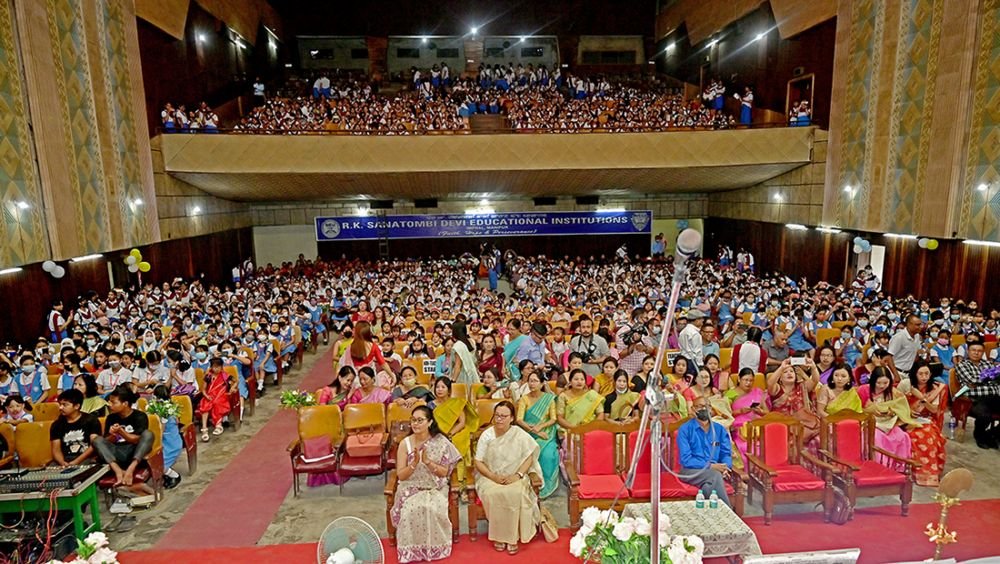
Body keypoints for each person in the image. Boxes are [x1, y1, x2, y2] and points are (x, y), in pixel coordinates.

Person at [390, 405, 462, 563]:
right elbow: (401, 475)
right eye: (413, 420)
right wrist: (414, 464)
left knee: (432, 508)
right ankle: (412, 551)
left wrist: (428, 462)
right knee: (410, 510)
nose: (415, 424)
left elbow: (444, 472)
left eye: (420, 420)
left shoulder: (440, 442)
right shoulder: (405, 444)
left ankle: (433, 549)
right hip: (410, 487)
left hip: (435, 487)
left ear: (430, 422)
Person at [473, 401, 542, 555]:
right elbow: (478, 461)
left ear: (511, 418)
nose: (499, 419)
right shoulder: (487, 435)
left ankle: (512, 538)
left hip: (515, 475)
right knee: (493, 494)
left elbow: (529, 456)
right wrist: (493, 476)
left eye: (503, 416)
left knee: (516, 493)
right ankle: (500, 537)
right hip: (489, 476)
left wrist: (518, 475)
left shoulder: (519, 434)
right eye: (497, 415)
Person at [677, 395, 733, 507]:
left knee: (709, 485)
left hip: (714, 472)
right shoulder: (685, 429)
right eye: (699, 406)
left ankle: (710, 513)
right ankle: (727, 511)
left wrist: (725, 467)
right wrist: (711, 466)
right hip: (690, 471)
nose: (704, 409)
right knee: (714, 475)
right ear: (693, 409)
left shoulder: (719, 429)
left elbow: (726, 453)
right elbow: (686, 460)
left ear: (711, 409)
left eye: (707, 406)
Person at [92, 386, 153, 487]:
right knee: (97, 440)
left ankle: (131, 469)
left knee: (148, 434)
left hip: (134, 452)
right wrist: (112, 435)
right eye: (109, 401)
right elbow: (106, 441)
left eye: (114, 402)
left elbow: (136, 440)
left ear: (125, 404)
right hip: (116, 452)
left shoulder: (140, 416)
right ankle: (117, 470)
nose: (110, 405)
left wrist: (121, 431)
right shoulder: (111, 418)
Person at [864, 367, 919, 469]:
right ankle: (880, 466)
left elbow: (901, 408)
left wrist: (892, 412)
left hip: (888, 423)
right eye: (878, 383)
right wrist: (870, 411)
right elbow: (858, 409)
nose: (882, 386)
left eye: (885, 383)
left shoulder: (894, 392)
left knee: (902, 436)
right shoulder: (864, 390)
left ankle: (899, 466)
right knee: (877, 438)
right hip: (870, 423)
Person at [515, 372, 558, 498]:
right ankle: (531, 485)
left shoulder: (549, 399)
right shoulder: (524, 399)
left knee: (547, 454)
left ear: (542, 383)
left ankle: (545, 487)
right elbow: (519, 420)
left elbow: (553, 419)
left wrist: (541, 426)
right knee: (531, 452)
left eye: (535, 381)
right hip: (528, 432)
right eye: (530, 381)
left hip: (547, 432)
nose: (532, 384)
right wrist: (536, 431)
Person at [906, 361, 947, 486]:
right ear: (914, 374)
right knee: (913, 435)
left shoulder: (935, 388)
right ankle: (913, 471)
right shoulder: (907, 385)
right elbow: (899, 404)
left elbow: (934, 410)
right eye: (921, 374)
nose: (924, 377)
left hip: (927, 419)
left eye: (927, 374)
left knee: (928, 434)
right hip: (907, 419)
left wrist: (922, 399)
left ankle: (928, 474)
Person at [954, 340, 999, 449]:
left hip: (994, 397)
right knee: (985, 415)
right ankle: (980, 436)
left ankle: (992, 434)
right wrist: (990, 378)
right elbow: (971, 379)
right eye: (973, 350)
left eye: (979, 351)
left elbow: (996, 379)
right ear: (968, 351)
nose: (976, 353)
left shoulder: (988, 364)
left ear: (983, 352)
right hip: (975, 399)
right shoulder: (962, 365)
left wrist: (988, 378)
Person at [432, 377, 478, 485]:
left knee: (460, 440)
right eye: (437, 387)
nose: (440, 389)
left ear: (449, 390)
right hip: (437, 433)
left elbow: (462, 423)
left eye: (443, 387)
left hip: (455, 431)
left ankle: (461, 478)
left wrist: (450, 434)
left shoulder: (457, 403)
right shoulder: (431, 405)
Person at [767, 357, 821, 444]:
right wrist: (781, 367)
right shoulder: (777, 389)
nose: (789, 373)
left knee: (820, 435)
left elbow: (815, 381)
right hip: (783, 424)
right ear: (780, 378)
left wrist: (813, 367)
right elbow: (770, 383)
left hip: (803, 423)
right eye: (785, 372)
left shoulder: (801, 387)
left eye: (791, 371)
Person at [727, 368, 768, 465]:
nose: (748, 383)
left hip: (759, 428)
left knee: (768, 446)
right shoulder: (731, 394)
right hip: (740, 430)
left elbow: (767, 413)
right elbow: (726, 413)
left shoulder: (758, 392)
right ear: (739, 379)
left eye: (751, 380)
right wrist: (740, 411)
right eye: (746, 380)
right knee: (747, 447)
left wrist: (760, 411)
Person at [49, 389, 101, 466]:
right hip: (65, 459)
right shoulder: (56, 424)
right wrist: (62, 463)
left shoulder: (91, 420)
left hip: (86, 458)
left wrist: (75, 462)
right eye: (60, 404)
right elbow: (56, 450)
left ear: (77, 406)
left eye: (65, 405)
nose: (60, 408)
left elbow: (94, 445)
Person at [151, 385, 183, 489]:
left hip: (171, 443)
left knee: (160, 465)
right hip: (170, 440)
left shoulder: (165, 411)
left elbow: (161, 430)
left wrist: (158, 444)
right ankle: (167, 476)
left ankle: (175, 476)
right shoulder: (169, 407)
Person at [556, 368, 605, 435]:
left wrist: (592, 427)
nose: (579, 382)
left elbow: (600, 413)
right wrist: (575, 428)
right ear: (570, 381)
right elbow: (560, 418)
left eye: (582, 379)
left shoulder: (592, 395)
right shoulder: (563, 396)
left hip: (590, 430)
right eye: (576, 379)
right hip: (569, 430)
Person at [197, 358, 233, 441]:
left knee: (217, 403)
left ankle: (218, 425)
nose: (216, 369)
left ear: (221, 367)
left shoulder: (225, 376)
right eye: (214, 367)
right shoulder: (208, 376)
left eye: (218, 367)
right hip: (210, 395)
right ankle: (204, 429)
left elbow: (236, 381)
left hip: (221, 395)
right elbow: (203, 389)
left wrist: (232, 388)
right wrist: (206, 396)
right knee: (205, 404)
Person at [886, 314, 924, 382]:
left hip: (908, 373)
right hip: (896, 372)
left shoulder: (917, 336)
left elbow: (916, 354)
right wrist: (896, 375)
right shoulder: (899, 337)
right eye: (917, 325)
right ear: (909, 325)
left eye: (920, 324)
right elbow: (888, 357)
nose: (920, 327)